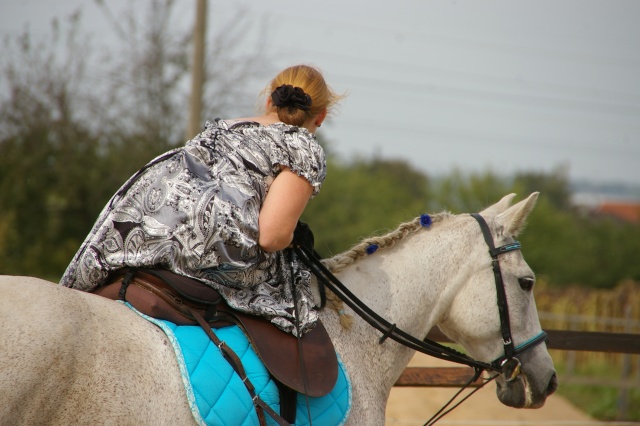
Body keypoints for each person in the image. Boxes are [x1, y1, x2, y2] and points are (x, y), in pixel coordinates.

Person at [60, 64, 343, 335]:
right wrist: (292, 236)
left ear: (270, 101)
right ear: (321, 116)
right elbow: (271, 237)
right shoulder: (303, 147)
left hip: (142, 222)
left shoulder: (224, 127)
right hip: (207, 244)